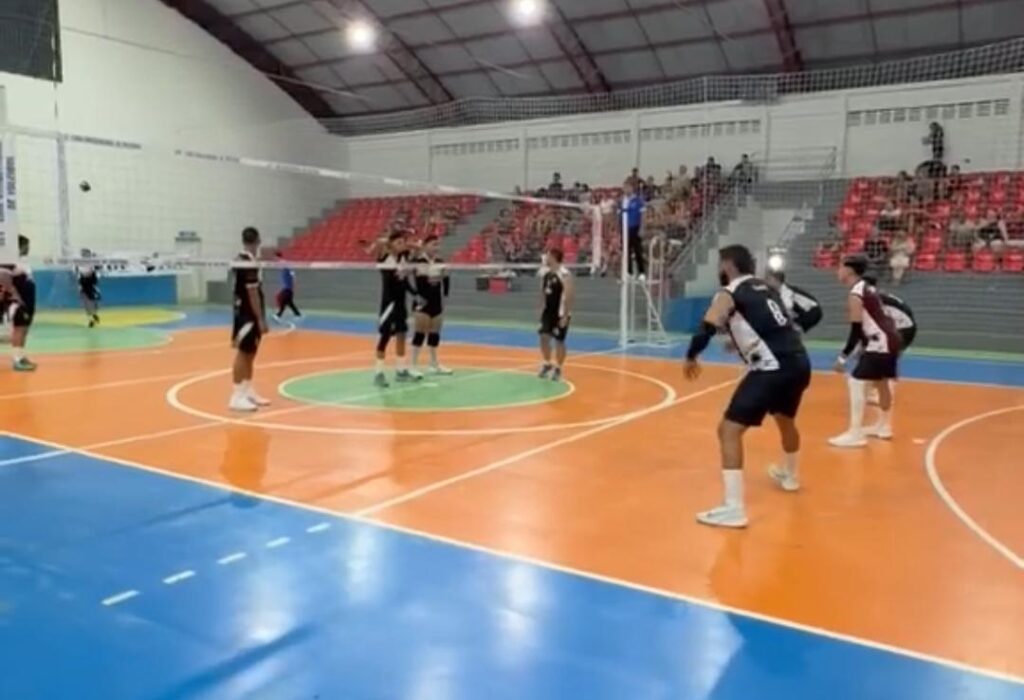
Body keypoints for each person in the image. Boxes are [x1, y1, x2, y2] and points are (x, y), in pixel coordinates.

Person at [683, 245, 812, 528]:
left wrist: (692, 355)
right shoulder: (767, 289)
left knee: (728, 430)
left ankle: (733, 509)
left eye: (720, 264)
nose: (719, 269)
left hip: (771, 367)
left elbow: (707, 326)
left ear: (728, 265)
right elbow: (775, 324)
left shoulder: (729, 291)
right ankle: (790, 476)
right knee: (785, 420)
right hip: (799, 362)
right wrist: (738, 342)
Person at [829, 257, 901, 447]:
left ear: (849, 271)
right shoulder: (868, 288)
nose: (837, 271)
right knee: (882, 382)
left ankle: (855, 434)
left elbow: (856, 330)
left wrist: (842, 358)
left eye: (840, 267)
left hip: (880, 342)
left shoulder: (856, 293)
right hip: (890, 339)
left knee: (856, 382)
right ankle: (884, 426)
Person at [229, 227, 271, 412]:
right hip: (247, 314)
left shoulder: (245, 259)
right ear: (258, 241)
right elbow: (252, 292)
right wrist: (260, 319)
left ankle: (247, 390)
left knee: (251, 352)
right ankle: (236, 396)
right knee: (243, 353)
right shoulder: (246, 263)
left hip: (248, 311)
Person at [370, 230, 419, 388]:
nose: (402, 245)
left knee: (401, 335)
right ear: (391, 245)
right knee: (385, 337)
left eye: (403, 242)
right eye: (399, 243)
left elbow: (405, 282)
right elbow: (379, 243)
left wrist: (415, 294)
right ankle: (378, 373)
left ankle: (400, 370)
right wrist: (390, 242)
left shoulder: (403, 258)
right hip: (388, 306)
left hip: (400, 304)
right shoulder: (384, 258)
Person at [862, 275, 916, 409]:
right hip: (907, 327)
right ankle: (883, 387)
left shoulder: (871, 298)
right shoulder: (879, 295)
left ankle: (879, 391)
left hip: (902, 329)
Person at [410, 235, 452, 377]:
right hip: (422, 302)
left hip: (436, 301)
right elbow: (421, 283)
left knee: (435, 334)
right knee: (420, 333)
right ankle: (413, 365)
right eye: (433, 244)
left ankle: (433, 364)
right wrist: (434, 277)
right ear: (426, 245)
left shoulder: (440, 261)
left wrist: (445, 296)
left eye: (438, 245)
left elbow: (446, 279)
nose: (436, 247)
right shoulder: (420, 261)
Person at [0, 235, 38, 372]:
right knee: (19, 329)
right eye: (25, 246)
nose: (28, 248)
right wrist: (15, 297)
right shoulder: (9, 262)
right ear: (18, 247)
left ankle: (21, 357)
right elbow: (3, 278)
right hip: (18, 302)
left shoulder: (22, 262)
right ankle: (17, 360)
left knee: (24, 329)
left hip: (28, 301)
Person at [538, 248, 573, 382]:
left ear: (553, 257)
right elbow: (543, 292)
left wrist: (565, 315)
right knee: (543, 337)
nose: (545, 258)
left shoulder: (564, 274)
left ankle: (558, 368)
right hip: (548, 312)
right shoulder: (545, 274)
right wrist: (541, 308)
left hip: (560, 312)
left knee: (559, 341)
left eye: (547, 255)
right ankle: (547, 363)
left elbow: (569, 295)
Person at [620, 182, 646, 279]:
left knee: (637, 250)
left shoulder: (638, 200)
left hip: (635, 227)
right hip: (625, 228)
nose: (626, 189)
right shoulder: (622, 200)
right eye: (624, 188)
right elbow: (619, 214)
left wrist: (642, 227)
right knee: (626, 251)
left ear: (631, 188)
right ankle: (629, 272)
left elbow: (643, 215)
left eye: (627, 187)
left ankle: (641, 272)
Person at [272, 251, 302, 322]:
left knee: (282, 299)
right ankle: (297, 315)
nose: (274, 259)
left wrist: (293, 283)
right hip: (287, 287)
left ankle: (278, 315)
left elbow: (292, 272)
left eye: (275, 257)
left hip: (288, 287)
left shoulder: (284, 264)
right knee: (289, 303)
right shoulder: (282, 265)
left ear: (277, 257)